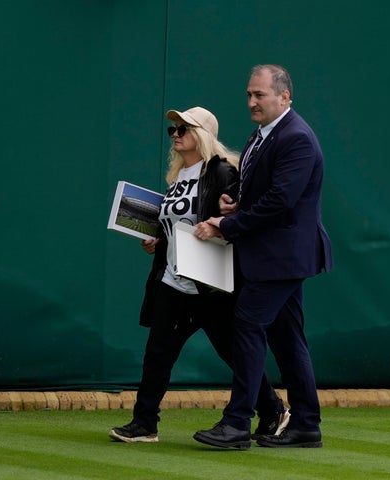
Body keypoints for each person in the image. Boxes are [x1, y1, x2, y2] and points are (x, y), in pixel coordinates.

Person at [109, 106, 289, 443]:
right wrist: (158, 241)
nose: (176, 135)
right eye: (173, 130)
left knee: (234, 353)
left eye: (184, 129)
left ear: (203, 135)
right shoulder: (177, 178)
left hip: (210, 285)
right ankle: (144, 423)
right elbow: (179, 225)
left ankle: (274, 409)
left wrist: (221, 224)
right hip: (173, 280)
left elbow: (240, 221)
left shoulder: (222, 173)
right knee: (157, 354)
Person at [192, 65, 333, 449]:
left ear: (285, 97)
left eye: (260, 95)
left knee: (247, 324)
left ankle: (237, 423)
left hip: (282, 257)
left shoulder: (297, 138)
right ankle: (306, 425)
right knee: (288, 341)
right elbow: (263, 191)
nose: (252, 102)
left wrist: (227, 225)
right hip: (275, 255)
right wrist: (234, 202)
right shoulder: (262, 135)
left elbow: (280, 201)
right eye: (249, 95)